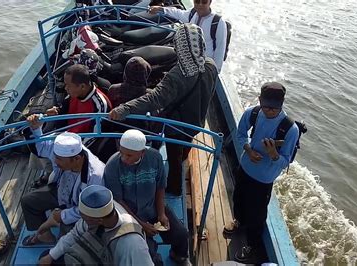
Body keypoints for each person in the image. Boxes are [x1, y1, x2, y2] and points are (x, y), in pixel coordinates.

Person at [109, 24, 218, 196]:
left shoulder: (178, 74)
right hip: (197, 121)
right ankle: (182, 161)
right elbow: (210, 93)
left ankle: (174, 189)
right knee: (185, 149)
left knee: (174, 160)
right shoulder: (211, 66)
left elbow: (154, 99)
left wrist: (124, 109)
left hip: (177, 125)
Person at [222, 82, 299, 263]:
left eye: (274, 108)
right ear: (259, 101)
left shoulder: (290, 129)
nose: (269, 111)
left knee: (257, 214)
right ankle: (238, 221)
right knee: (238, 197)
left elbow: (286, 160)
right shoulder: (253, 113)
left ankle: (252, 247)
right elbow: (241, 134)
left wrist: (273, 155)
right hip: (246, 167)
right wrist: (248, 150)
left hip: (264, 179)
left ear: (281, 105)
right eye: (266, 106)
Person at [103, 129, 189, 264]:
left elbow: (160, 186)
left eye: (129, 155)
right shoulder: (112, 166)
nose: (124, 159)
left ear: (142, 152)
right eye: (121, 153)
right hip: (129, 215)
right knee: (149, 254)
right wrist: (141, 224)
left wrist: (161, 214)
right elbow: (118, 200)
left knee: (181, 234)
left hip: (153, 206)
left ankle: (178, 256)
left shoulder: (155, 158)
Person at [21, 114, 105, 246]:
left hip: (78, 210)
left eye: (59, 160)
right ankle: (45, 236)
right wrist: (36, 128)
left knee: (66, 242)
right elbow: (41, 147)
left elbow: (91, 210)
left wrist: (62, 215)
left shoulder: (96, 176)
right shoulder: (62, 151)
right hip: (61, 192)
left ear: (77, 159)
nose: (55, 161)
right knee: (28, 201)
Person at [31, 63, 112, 188]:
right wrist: (54, 111)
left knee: (55, 152)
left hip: (80, 145)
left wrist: (71, 151)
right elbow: (63, 108)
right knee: (38, 143)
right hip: (66, 134)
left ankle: (57, 177)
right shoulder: (73, 94)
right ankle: (49, 173)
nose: (65, 89)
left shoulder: (100, 105)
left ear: (82, 86)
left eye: (68, 86)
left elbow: (95, 137)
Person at [38, 185, 153, 266]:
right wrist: (51, 256)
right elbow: (74, 235)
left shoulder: (133, 244)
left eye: (84, 217)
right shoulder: (101, 211)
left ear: (98, 221)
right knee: (48, 257)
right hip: (98, 257)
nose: (81, 219)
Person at [149, 0, 227, 72]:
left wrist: (214, 72)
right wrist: (161, 9)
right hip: (186, 57)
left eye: (204, 2)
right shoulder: (192, 13)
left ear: (210, 2)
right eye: (197, 1)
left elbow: (220, 49)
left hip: (203, 65)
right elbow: (178, 13)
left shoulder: (218, 22)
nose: (200, 5)